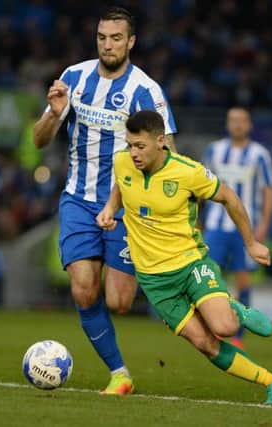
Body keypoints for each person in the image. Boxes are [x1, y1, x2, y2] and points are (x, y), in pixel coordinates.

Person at [96, 110, 272, 405]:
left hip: (190, 264)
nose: (133, 153)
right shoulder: (123, 161)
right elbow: (122, 186)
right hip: (154, 281)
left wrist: (251, 243)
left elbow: (229, 197)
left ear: (160, 141)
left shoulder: (188, 172)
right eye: (130, 145)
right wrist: (110, 208)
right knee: (206, 344)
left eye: (140, 146)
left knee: (225, 327)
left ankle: (234, 310)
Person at [32, 6, 177, 395]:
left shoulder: (145, 91)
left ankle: (169, 290)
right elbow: (39, 139)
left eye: (116, 38)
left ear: (131, 42)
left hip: (128, 207)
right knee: (83, 288)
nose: (107, 45)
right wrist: (55, 114)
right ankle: (119, 374)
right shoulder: (73, 78)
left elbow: (170, 156)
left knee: (120, 301)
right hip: (78, 199)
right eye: (101, 37)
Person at [201, 107, 272, 349]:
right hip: (215, 224)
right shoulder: (214, 150)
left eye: (242, 120)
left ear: (249, 125)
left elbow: (269, 189)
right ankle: (212, 327)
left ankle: (238, 337)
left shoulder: (259, 154)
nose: (237, 124)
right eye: (233, 120)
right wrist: (196, 220)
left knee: (243, 279)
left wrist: (264, 223)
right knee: (210, 276)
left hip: (245, 227)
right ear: (227, 123)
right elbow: (199, 186)